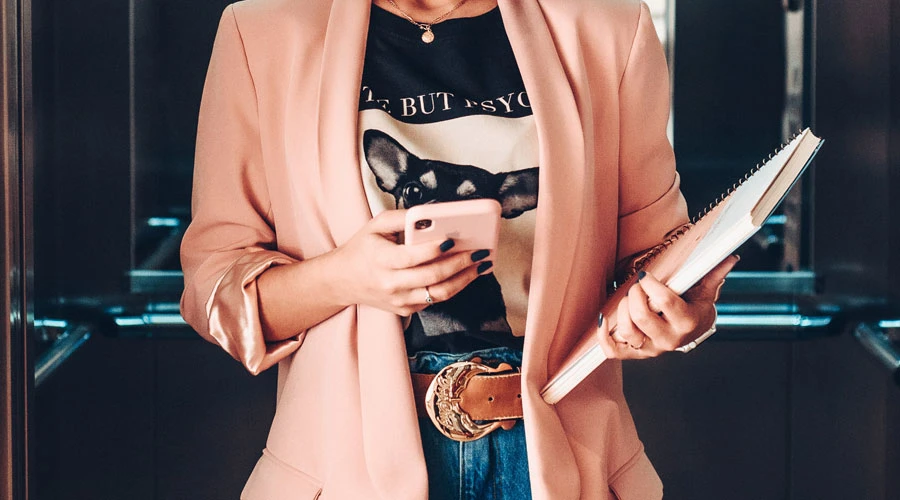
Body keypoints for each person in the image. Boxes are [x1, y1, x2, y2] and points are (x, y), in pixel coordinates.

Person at [179, 0, 738, 499]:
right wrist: (344, 278)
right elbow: (214, 290)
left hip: (565, 462)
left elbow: (655, 256)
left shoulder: (610, 28)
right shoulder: (263, 33)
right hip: (346, 468)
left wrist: (680, 310)